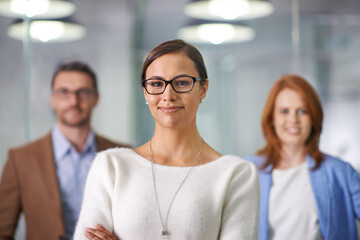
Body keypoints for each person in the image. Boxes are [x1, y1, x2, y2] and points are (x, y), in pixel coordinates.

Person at [73, 39, 260, 240]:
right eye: (156, 84)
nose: (168, 95)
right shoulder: (111, 167)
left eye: (181, 82)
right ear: (145, 91)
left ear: (203, 88)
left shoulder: (235, 175)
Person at [0, 60, 131, 240]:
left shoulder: (124, 155)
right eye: (64, 92)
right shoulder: (21, 159)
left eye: (82, 92)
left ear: (96, 98)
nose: (73, 101)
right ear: (52, 99)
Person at [246, 74, 360, 240]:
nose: (293, 120)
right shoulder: (248, 171)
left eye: (302, 111)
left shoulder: (340, 172)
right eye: (284, 111)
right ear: (272, 119)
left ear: (313, 118)